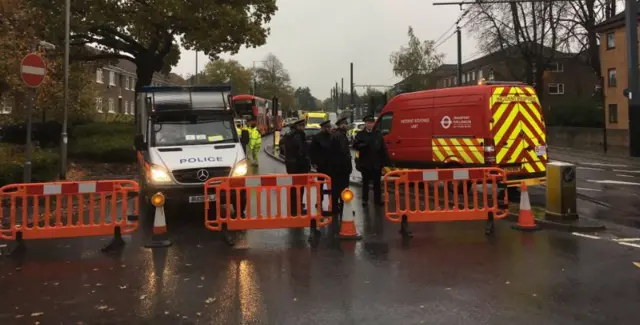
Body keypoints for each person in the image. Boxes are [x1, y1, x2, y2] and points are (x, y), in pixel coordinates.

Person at [353, 114, 388, 206]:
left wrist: (384, 161)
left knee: (377, 183)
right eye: (368, 123)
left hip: (376, 162)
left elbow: (383, 148)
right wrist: (364, 145)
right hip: (365, 163)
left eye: (372, 123)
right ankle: (365, 200)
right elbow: (355, 145)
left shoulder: (377, 134)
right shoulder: (360, 134)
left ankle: (377, 200)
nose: (370, 125)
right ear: (365, 124)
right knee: (365, 183)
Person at [328, 117, 352, 230]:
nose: (346, 125)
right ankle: (343, 209)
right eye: (345, 124)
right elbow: (343, 153)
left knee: (335, 189)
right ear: (341, 125)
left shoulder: (336, 135)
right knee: (342, 188)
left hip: (335, 167)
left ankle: (335, 207)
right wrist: (347, 165)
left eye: (346, 123)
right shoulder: (340, 136)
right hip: (341, 168)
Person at [284, 119, 311, 215]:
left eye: (304, 125)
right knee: (297, 188)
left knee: (297, 187)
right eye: (302, 125)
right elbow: (301, 152)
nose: (303, 127)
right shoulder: (296, 136)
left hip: (295, 166)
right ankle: (296, 209)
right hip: (297, 166)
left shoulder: (294, 134)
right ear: (297, 126)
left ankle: (296, 206)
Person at [309, 120, 333, 206]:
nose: (329, 128)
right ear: (322, 128)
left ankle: (332, 201)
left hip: (331, 164)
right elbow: (312, 151)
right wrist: (314, 162)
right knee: (320, 185)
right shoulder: (317, 137)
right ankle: (319, 201)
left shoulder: (332, 136)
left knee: (331, 185)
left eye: (329, 127)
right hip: (321, 165)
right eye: (327, 127)